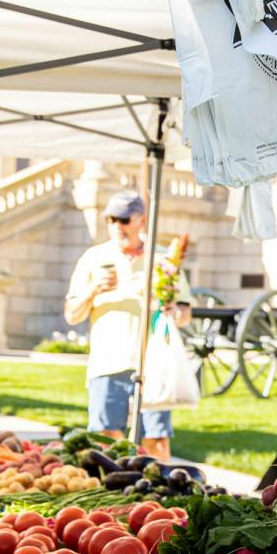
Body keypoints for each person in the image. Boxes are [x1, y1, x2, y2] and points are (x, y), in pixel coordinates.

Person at [62, 189, 191, 461]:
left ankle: (161, 497)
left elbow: (185, 314)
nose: (116, 226)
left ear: (141, 221)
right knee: (105, 440)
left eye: (123, 219)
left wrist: (172, 310)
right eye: (111, 220)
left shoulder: (163, 260)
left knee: (155, 439)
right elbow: (72, 314)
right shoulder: (93, 258)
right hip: (108, 362)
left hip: (154, 364)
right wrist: (92, 291)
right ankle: (111, 497)